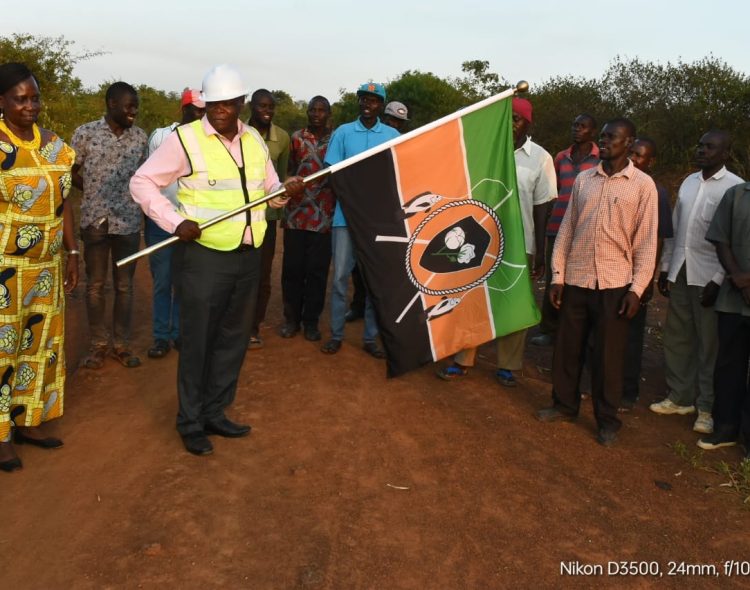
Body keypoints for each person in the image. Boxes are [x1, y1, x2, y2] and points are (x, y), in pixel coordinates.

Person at [130, 64, 303, 456]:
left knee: (233, 340)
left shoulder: (255, 141)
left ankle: (214, 412)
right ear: (205, 103)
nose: (221, 109)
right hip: (204, 257)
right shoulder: (185, 139)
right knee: (198, 342)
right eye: (214, 103)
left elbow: (269, 190)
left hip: (247, 255)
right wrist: (175, 222)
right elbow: (141, 182)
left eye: (228, 103)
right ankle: (189, 422)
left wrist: (286, 191)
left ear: (241, 103)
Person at [535, 118, 658, 447]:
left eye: (611, 137)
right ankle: (564, 405)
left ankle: (607, 420)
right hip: (576, 278)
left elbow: (646, 243)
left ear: (629, 143)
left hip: (615, 284)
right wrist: (557, 277)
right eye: (602, 137)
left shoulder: (643, 185)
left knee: (608, 356)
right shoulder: (583, 180)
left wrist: (637, 289)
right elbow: (566, 231)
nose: (603, 142)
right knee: (567, 348)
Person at [437, 98, 556, 386]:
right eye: (507, 117)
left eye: (516, 119)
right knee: (470, 297)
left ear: (528, 124)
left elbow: (542, 208)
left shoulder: (541, 158)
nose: (511, 123)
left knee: (513, 300)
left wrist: (539, 251)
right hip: (478, 239)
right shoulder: (485, 148)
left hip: (520, 242)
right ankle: (463, 358)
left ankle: (508, 365)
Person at [0, 63, 79, 472]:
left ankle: (28, 421)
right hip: (5, 269)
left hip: (47, 265)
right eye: (20, 98)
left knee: (40, 345)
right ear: (2, 101)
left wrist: (74, 252)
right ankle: (0, 437)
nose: (30, 105)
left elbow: (63, 204)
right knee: (2, 352)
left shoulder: (56, 147)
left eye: (34, 97)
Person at [650, 131, 743, 434]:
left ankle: (706, 408)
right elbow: (676, 229)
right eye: (700, 145)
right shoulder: (689, 182)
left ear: (725, 154)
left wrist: (719, 279)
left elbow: (732, 240)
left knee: (709, 345)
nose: (702, 150)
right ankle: (680, 396)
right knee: (678, 337)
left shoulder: (735, 188)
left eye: (710, 147)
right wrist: (665, 268)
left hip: (712, 276)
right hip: (681, 269)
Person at [71, 81, 147, 369]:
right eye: (129, 106)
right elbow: (71, 172)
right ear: (112, 104)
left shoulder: (140, 138)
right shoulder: (86, 133)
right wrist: (90, 190)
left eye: (136, 106)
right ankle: (98, 345)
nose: (134, 111)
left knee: (125, 286)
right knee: (95, 286)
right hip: (95, 221)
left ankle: (121, 345)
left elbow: (144, 178)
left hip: (127, 220)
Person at [321, 82, 399, 358]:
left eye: (374, 101)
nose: (368, 104)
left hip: (377, 221)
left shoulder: (392, 134)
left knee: (373, 280)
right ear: (359, 102)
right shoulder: (343, 132)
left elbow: (395, 176)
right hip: (345, 217)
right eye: (364, 99)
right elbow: (332, 173)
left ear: (381, 105)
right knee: (341, 277)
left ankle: (370, 338)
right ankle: (337, 335)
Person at [144, 88, 205, 359]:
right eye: (197, 110)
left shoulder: (207, 139)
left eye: (205, 111)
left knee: (184, 280)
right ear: (184, 109)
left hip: (192, 222)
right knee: (162, 281)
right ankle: (161, 336)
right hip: (162, 221)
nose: (201, 115)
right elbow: (149, 179)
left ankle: (179, 332)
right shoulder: (161, 136)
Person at [530, 114, 599, 347]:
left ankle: (573, 331)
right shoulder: (561, 157)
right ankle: (549, 329)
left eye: (583, 126)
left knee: (578, 280)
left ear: (593, 131)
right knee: (554, 277)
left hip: (584, 229)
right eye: (574, 125)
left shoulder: (600, 159)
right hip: (557, 225)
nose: (577, 129)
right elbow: (551, 190)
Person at [620, 138, 674, 409]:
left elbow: (659, 239)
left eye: (640, 156)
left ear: (650, 161)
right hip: (612, 270)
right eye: (631, 153)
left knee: (631, 334)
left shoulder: (656, 191)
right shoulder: (621, 182)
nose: (634, 159)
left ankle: (628, 391)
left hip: (636, 274)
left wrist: (648, 278)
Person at [701, 180, 750, 456]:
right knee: (729, 366)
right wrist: (740, 280)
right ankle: (726, 428)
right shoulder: (737, 194)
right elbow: (721, 239)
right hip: (733, 299)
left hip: (741, 285)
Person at [280, 96, 334, 342]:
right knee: (292, 270)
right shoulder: (296, 138)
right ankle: (291, 319)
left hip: (323, 217)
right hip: (295, 215)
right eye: (313, 109)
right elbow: (288, 171)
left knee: (317, 272)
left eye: (321, 110)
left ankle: (311, 321)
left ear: (328, 114)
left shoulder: (336, 139)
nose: (316, 114)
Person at [247, 89, 290, 349]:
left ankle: (253, 326)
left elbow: (280, 178)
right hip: (239, 217)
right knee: (238, 272)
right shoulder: (237, 130)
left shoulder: (282, 138)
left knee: (262, 274)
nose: (267, 111)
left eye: (271, 107)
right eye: (262, 106)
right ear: (251, 107)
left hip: (268, 218)